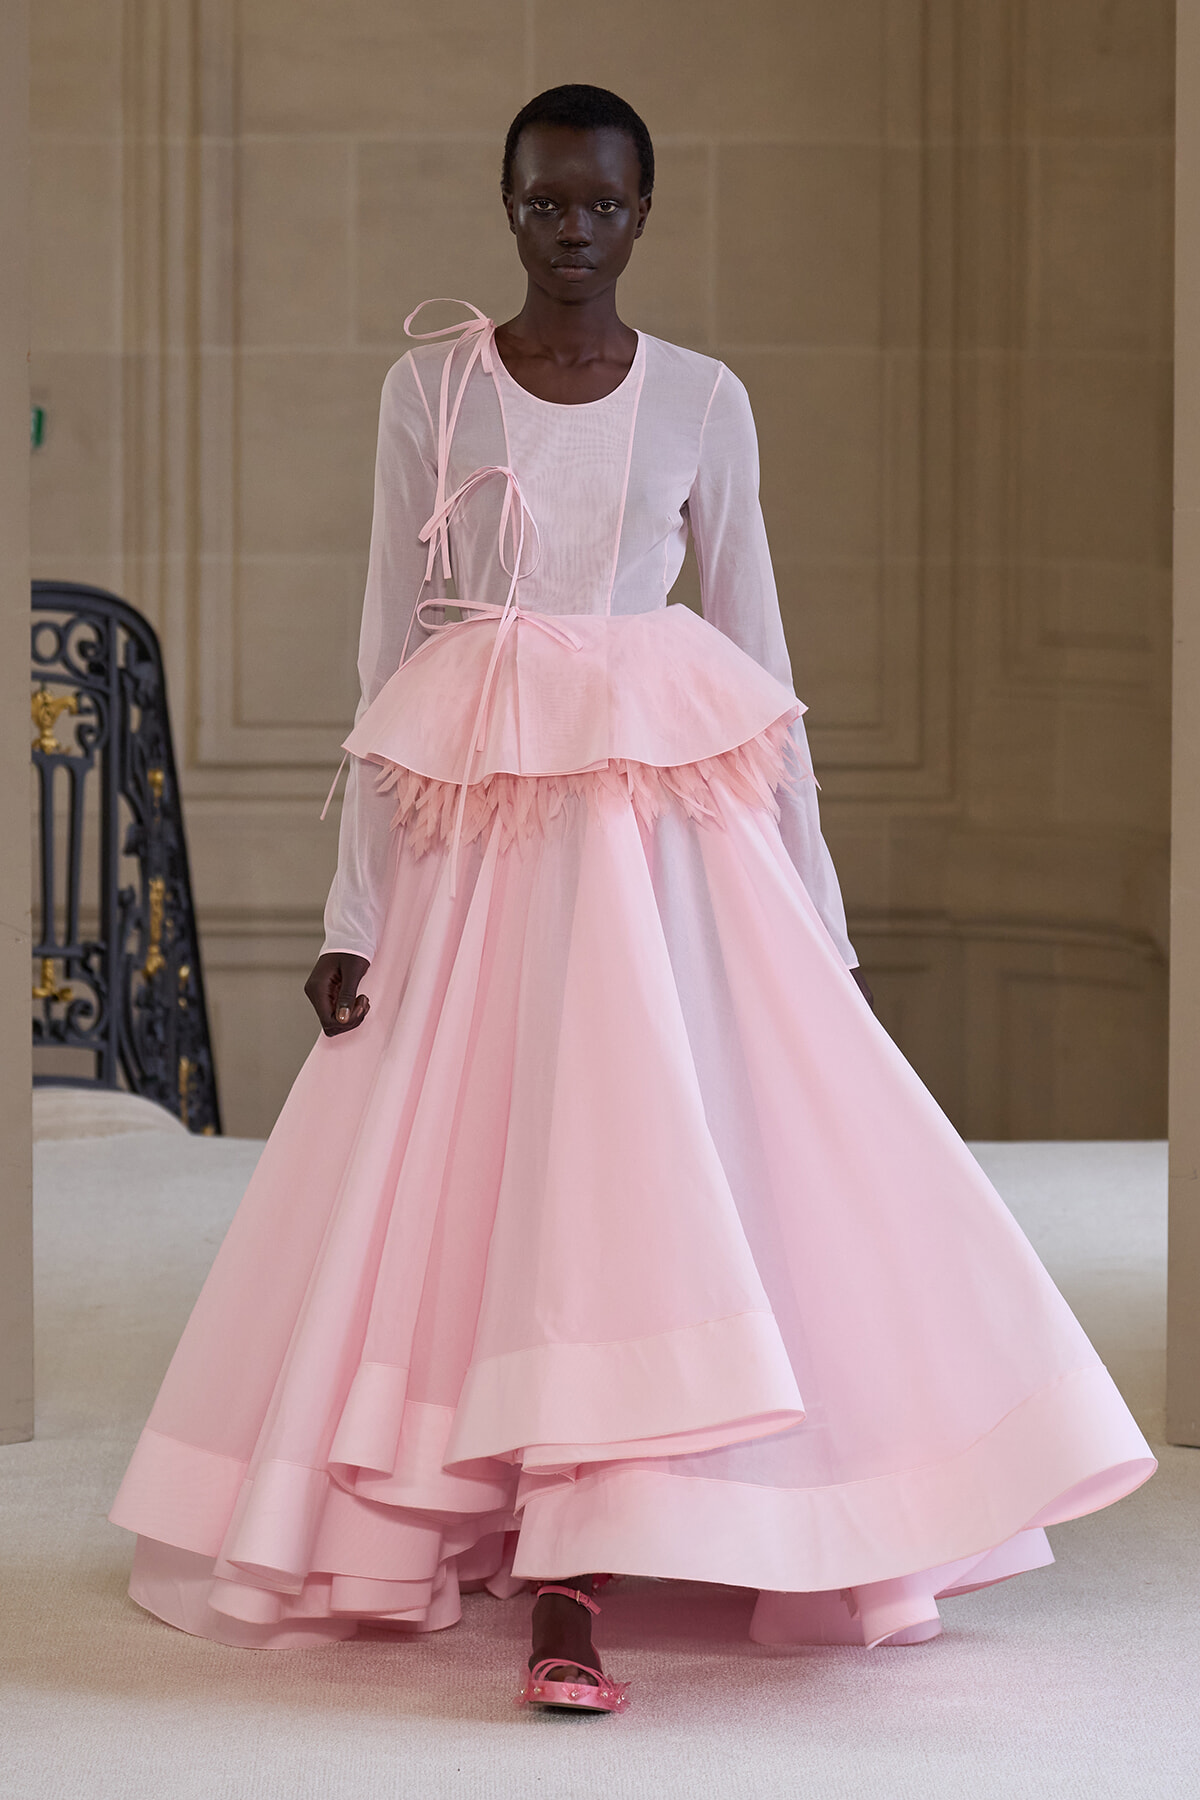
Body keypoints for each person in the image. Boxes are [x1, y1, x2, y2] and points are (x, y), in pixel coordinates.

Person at [110, 84, 1154, 1714]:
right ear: (507, 208)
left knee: (649, 1176)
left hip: (667, 861)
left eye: (599, 207)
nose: (571, 232)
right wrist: (353, 913)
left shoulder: (706, 402)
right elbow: (390, 655)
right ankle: (522, 1541)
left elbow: (762, 661)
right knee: (484, 1192)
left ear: (642, 216)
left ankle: (597, 1559)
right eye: (543, 205)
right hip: (484, 860)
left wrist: (814, 915)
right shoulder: (429, 390)